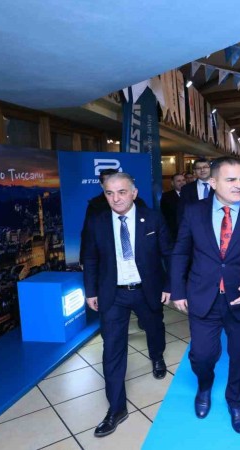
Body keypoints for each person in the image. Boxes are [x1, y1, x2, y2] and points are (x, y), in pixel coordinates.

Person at [170, 156, 240, 434]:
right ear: (213, 182)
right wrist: (178, 290)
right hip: (203, 296)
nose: (239, 185)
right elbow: (180, 252)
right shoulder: (194, 212)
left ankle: (236, 402)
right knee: (202, 355)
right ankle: (204, 386)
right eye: (231, 179)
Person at [81, 171, 173, 438]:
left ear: (134, 193)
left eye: (122, 192)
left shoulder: (152, 218)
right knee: (112, 349)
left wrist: (170, 285)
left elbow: (169, 253)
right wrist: (91, 291)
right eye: (109, 193)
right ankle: (116, 408)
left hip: (147, 289)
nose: (116, 198)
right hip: (113, 294)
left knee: (154, 328)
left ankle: (157, 357)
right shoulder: (97, 222)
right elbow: (90, 258)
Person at [177, 157, 212, 223]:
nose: (202, 170)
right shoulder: (186, 189)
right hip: (194, 226)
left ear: (210, 169)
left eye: (205, 167)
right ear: (194, 171)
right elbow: (181, 212)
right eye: (198, 168)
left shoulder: (219, 186)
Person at [161, 173, 186, 240]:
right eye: (178, 181)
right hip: (175, 233)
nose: (182, 182)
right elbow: (165, 216)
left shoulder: (192, 194)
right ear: (172, 183)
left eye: (183, 180)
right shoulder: (166, 197)